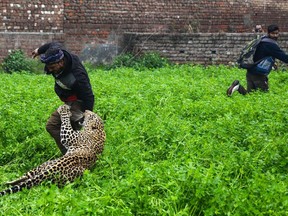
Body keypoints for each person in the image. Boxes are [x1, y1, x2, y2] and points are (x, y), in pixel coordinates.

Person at [32, 41, 95, 154]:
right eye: (48, 66)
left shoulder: (77, 76)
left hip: (78, 102)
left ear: (61, 62)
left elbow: (88, 95)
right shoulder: (57, 51)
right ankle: (77, 154)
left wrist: (87, 117)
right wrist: (39, 51)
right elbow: (51, 44)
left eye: (52, 67)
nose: (49, 70)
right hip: (68, 99)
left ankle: (73, 156)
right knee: (68, 131)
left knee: (53, 125)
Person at [227, 24, 288, 96]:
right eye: (273, 33)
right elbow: (284, 58)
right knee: (263, 97)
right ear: (268, 33)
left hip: (250, 71)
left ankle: (238, 87)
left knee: (250, 96)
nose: (275, 35)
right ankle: (237, 87)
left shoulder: (262, 40)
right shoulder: (270, 45)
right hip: (259, 74)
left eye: (276, 33)